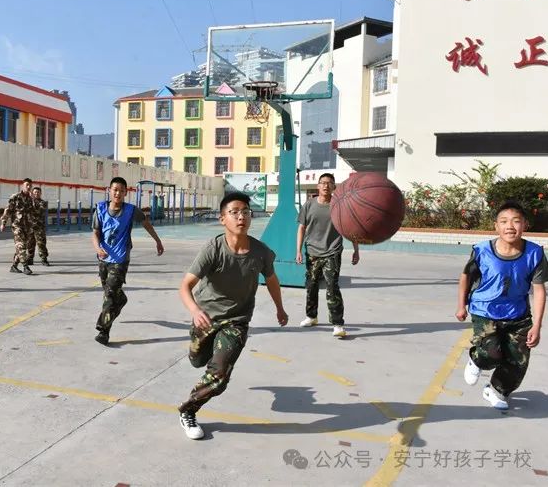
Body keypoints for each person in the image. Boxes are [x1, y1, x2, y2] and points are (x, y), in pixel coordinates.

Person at [177, 192, 289, 440]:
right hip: (206, 318)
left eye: (246, 212)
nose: (241, 217)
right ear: (222, 219)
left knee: (219, 377)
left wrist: (280, 309)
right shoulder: (213, 249)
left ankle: (188, 410)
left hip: (237, 321)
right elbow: (185, 286)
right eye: (235, 212)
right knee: (197, 360)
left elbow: (271, 280)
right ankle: (206, 351)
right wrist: (195, 311)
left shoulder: (261, 252)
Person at [456, 201, 548, 410]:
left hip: (518, 315)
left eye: (516, 221)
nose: (510, 226)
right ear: (496, 226)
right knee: (491, 355)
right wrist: (461, 305)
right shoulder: (482, 251)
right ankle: (476, 359)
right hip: (485, 311)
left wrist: (537, 325)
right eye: (504, 221)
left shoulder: (534, 253)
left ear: (525, 225)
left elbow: (539, 290)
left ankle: (497, 390)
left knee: (518, 360)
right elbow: (466, 277)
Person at [92, 176, 164, 345]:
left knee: (110, 295)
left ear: (125, 193)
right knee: (109, 291)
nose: (117, 193)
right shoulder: (100, 209)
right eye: (115, 190)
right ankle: (122, 299)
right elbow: (95, 233)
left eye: (121, 190)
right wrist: (97, 249)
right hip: (104, 258)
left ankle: (104, 331)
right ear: (109, 191)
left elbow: (146, 224)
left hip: (121, 259)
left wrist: (158, 241)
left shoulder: (131, 210)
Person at [296, 173, 359, 337]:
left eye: (329, 183)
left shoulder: (339, 205)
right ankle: (311, 316)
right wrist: (298, 251)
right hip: (312, 252)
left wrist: (356, 250)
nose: (325, 185)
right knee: (311, 286)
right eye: (323, 183)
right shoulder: (309, 205)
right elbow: (301, 228)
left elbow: (350, 228)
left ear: (334, 187)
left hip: (332, 251)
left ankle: (338, 324)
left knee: (332, 287)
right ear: (318, 186)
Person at [0, 178, 34, 275]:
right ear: (23, 186)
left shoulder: (31, 199)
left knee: (22, 247)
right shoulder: (15, 197)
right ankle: (25, 266)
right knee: (21, 245)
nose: (28, 187)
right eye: (27, 185)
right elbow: (8, 210)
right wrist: (3, 222)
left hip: (27, 227)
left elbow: (33, 213)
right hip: (17, 225)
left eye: (30, 185)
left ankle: (14, 266)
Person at [27, 186, 50, 266]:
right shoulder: (29, 202)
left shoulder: (43, 203)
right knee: (30, 244)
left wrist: (31, 203)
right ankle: (30, 259)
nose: (36, 194)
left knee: (41, 244)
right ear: (32, 193)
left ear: (41, 193)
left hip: (39, 227)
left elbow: (38, 211)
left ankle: (44, 259)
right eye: (35, 192)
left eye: (38, 192)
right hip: (30, 227)